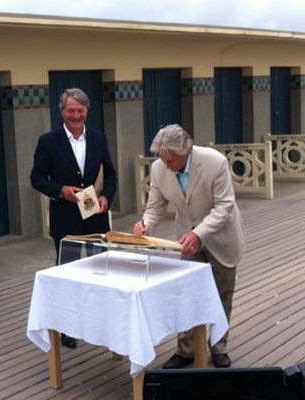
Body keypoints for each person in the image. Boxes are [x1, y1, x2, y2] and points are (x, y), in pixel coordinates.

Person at [133, 123, 245, 368]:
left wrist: (199, 233)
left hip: (221, 236)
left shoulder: (215, 162)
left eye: (172, 160)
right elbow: (155, 206)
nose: (167, 165)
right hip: (186, 239)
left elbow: (224, 207)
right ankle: (186, 350)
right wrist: (145, 224)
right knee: (186, 294)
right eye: (163, 159)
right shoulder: (159, 167)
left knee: (221, 295)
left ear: (188, 150)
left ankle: (219, 347)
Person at [31, 88, 117, 348]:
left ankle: (96, 321)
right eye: (71, 111)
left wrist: (107, 198)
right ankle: (66, 327)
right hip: (65, 219)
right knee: (68, 274)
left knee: (97, 272)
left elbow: (111, 176)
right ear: (62, 112)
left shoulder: (98, 138)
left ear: (86, 112)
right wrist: (60, 191)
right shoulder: (48, 141)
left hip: (95, 219)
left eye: (80, 111)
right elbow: (36, 178)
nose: (76, 115)